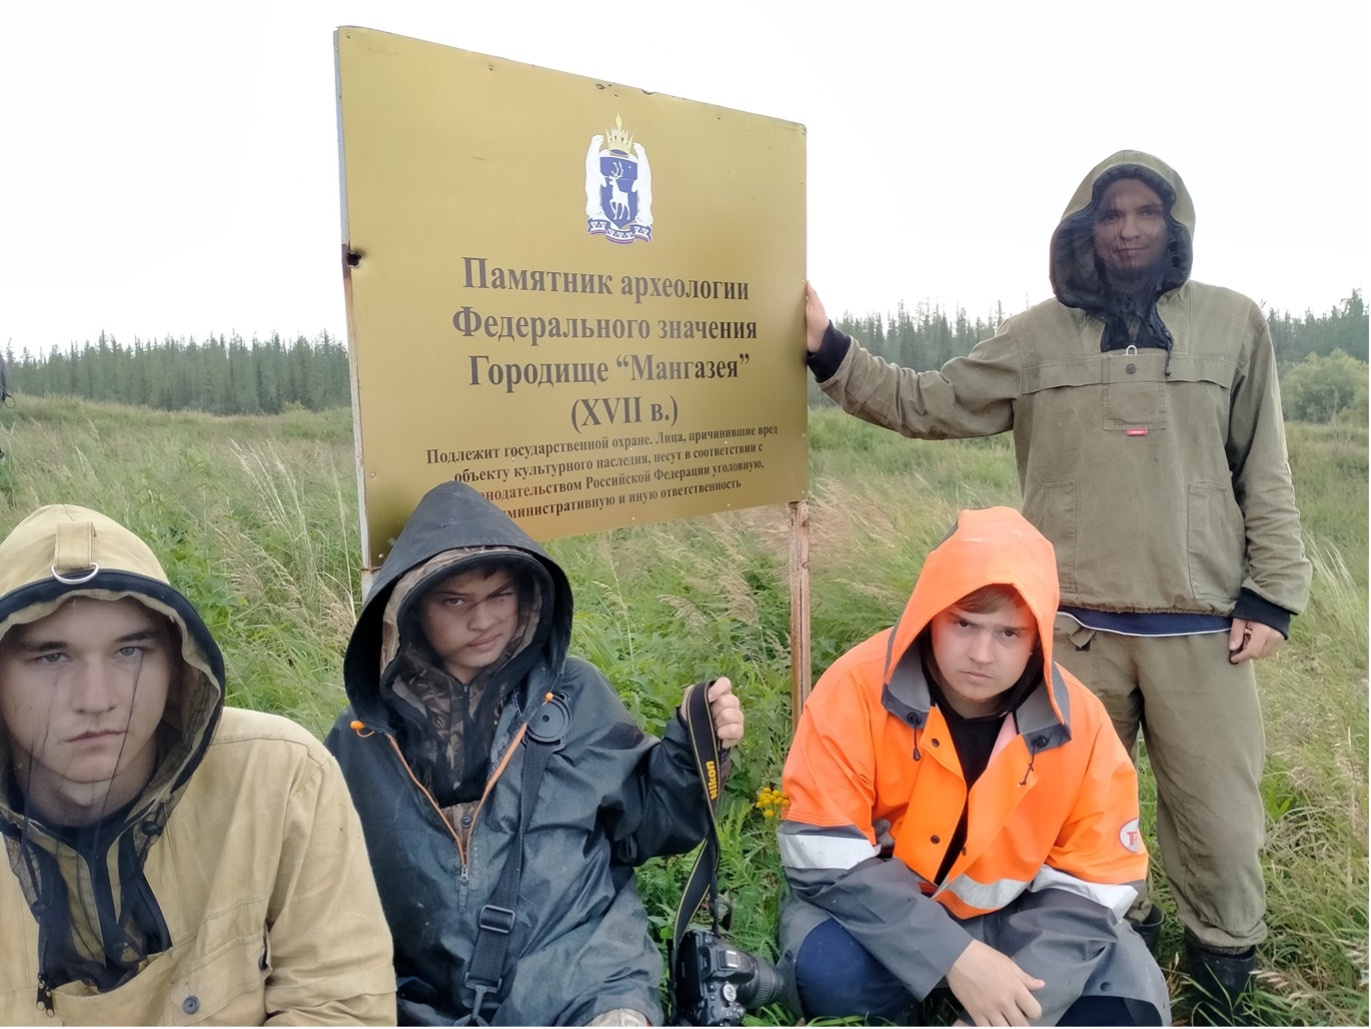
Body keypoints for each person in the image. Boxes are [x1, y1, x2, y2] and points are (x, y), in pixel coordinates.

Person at [804, 150, 1311, 1018]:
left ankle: (1221, 987)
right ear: (1082, 228)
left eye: (1144, 212)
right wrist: (829, 352)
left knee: (1221, 830)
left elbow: (1262, 461)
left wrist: (1273, 591)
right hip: (1062, 636)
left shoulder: (1233, 324)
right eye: (1108, 214)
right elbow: (930, 399)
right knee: (1057, 826)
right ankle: (1110, 965)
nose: (1125, 229)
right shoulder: (1038, 335)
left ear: (1172, 225)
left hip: (1200, 630)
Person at [326, 480, 744, 1026]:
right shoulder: (362, 737)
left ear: (528, 594)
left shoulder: (575, 696)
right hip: (421, 1002)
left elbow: (650, 825)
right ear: (407, 611)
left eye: (500, 594)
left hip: (585, 979)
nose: (484, 620)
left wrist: (694, 754)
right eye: (455, 601)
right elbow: (320, 890)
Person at [0, 504, 396, 1024]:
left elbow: (341, 1007)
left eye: (130, 652)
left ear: (177, 663)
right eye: (51, 657)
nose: (96, 699)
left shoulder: (279, 775)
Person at [778, 506, 1170, 1026]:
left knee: (1124, 1013)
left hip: (1021, 926)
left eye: (1009, 633)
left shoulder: (1084, 726)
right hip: (880, 914)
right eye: (963, 623)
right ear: (928, 614)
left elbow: (1092, 889)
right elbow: (826, 859)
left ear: (1038, 639)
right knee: (830, 976)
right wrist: (953, 958)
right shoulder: (853, 688)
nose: (982, 654)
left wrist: (1012, 1008)